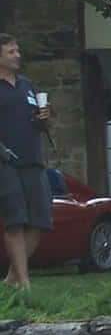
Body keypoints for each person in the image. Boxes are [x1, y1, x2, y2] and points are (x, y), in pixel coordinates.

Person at [0, 33, 53, 291]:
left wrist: (43, 118)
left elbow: (38, 122)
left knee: (42, 219)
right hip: (6, 162)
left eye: (17, 50)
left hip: (33, 158)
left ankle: (12, 276)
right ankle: (24, 282)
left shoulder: (26, 84)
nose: (17, 55)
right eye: (11, 52)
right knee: (15, 220)